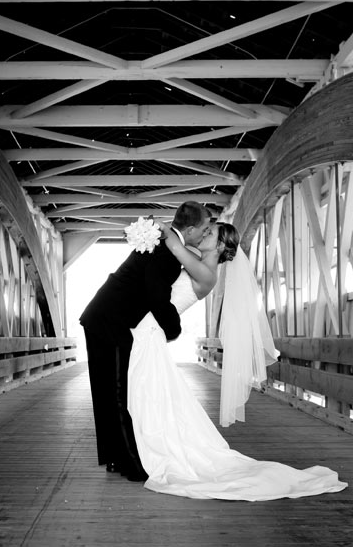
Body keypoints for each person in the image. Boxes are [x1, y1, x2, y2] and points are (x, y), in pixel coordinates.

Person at [127, 221, 347, 500]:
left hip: (150, 333)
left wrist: (153, 227)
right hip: (148, 332)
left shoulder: (207, 273)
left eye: (210, 233)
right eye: (205, 230)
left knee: (147, 391)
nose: (204, 233)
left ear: (220, 246)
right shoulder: (197, 260)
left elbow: (173, 243)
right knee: (150, 393)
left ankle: (152, 449)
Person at [80, 201, 212, 481]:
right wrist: (174, 329)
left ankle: (115, 458)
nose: (204, 234)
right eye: (204, 229)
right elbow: (157, 297)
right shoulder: (167, 252)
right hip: (110, 320)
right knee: (117, 393)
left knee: (106, 392)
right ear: (189, 229)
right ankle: (130, 463)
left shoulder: (166, 244)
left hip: (103, 316)